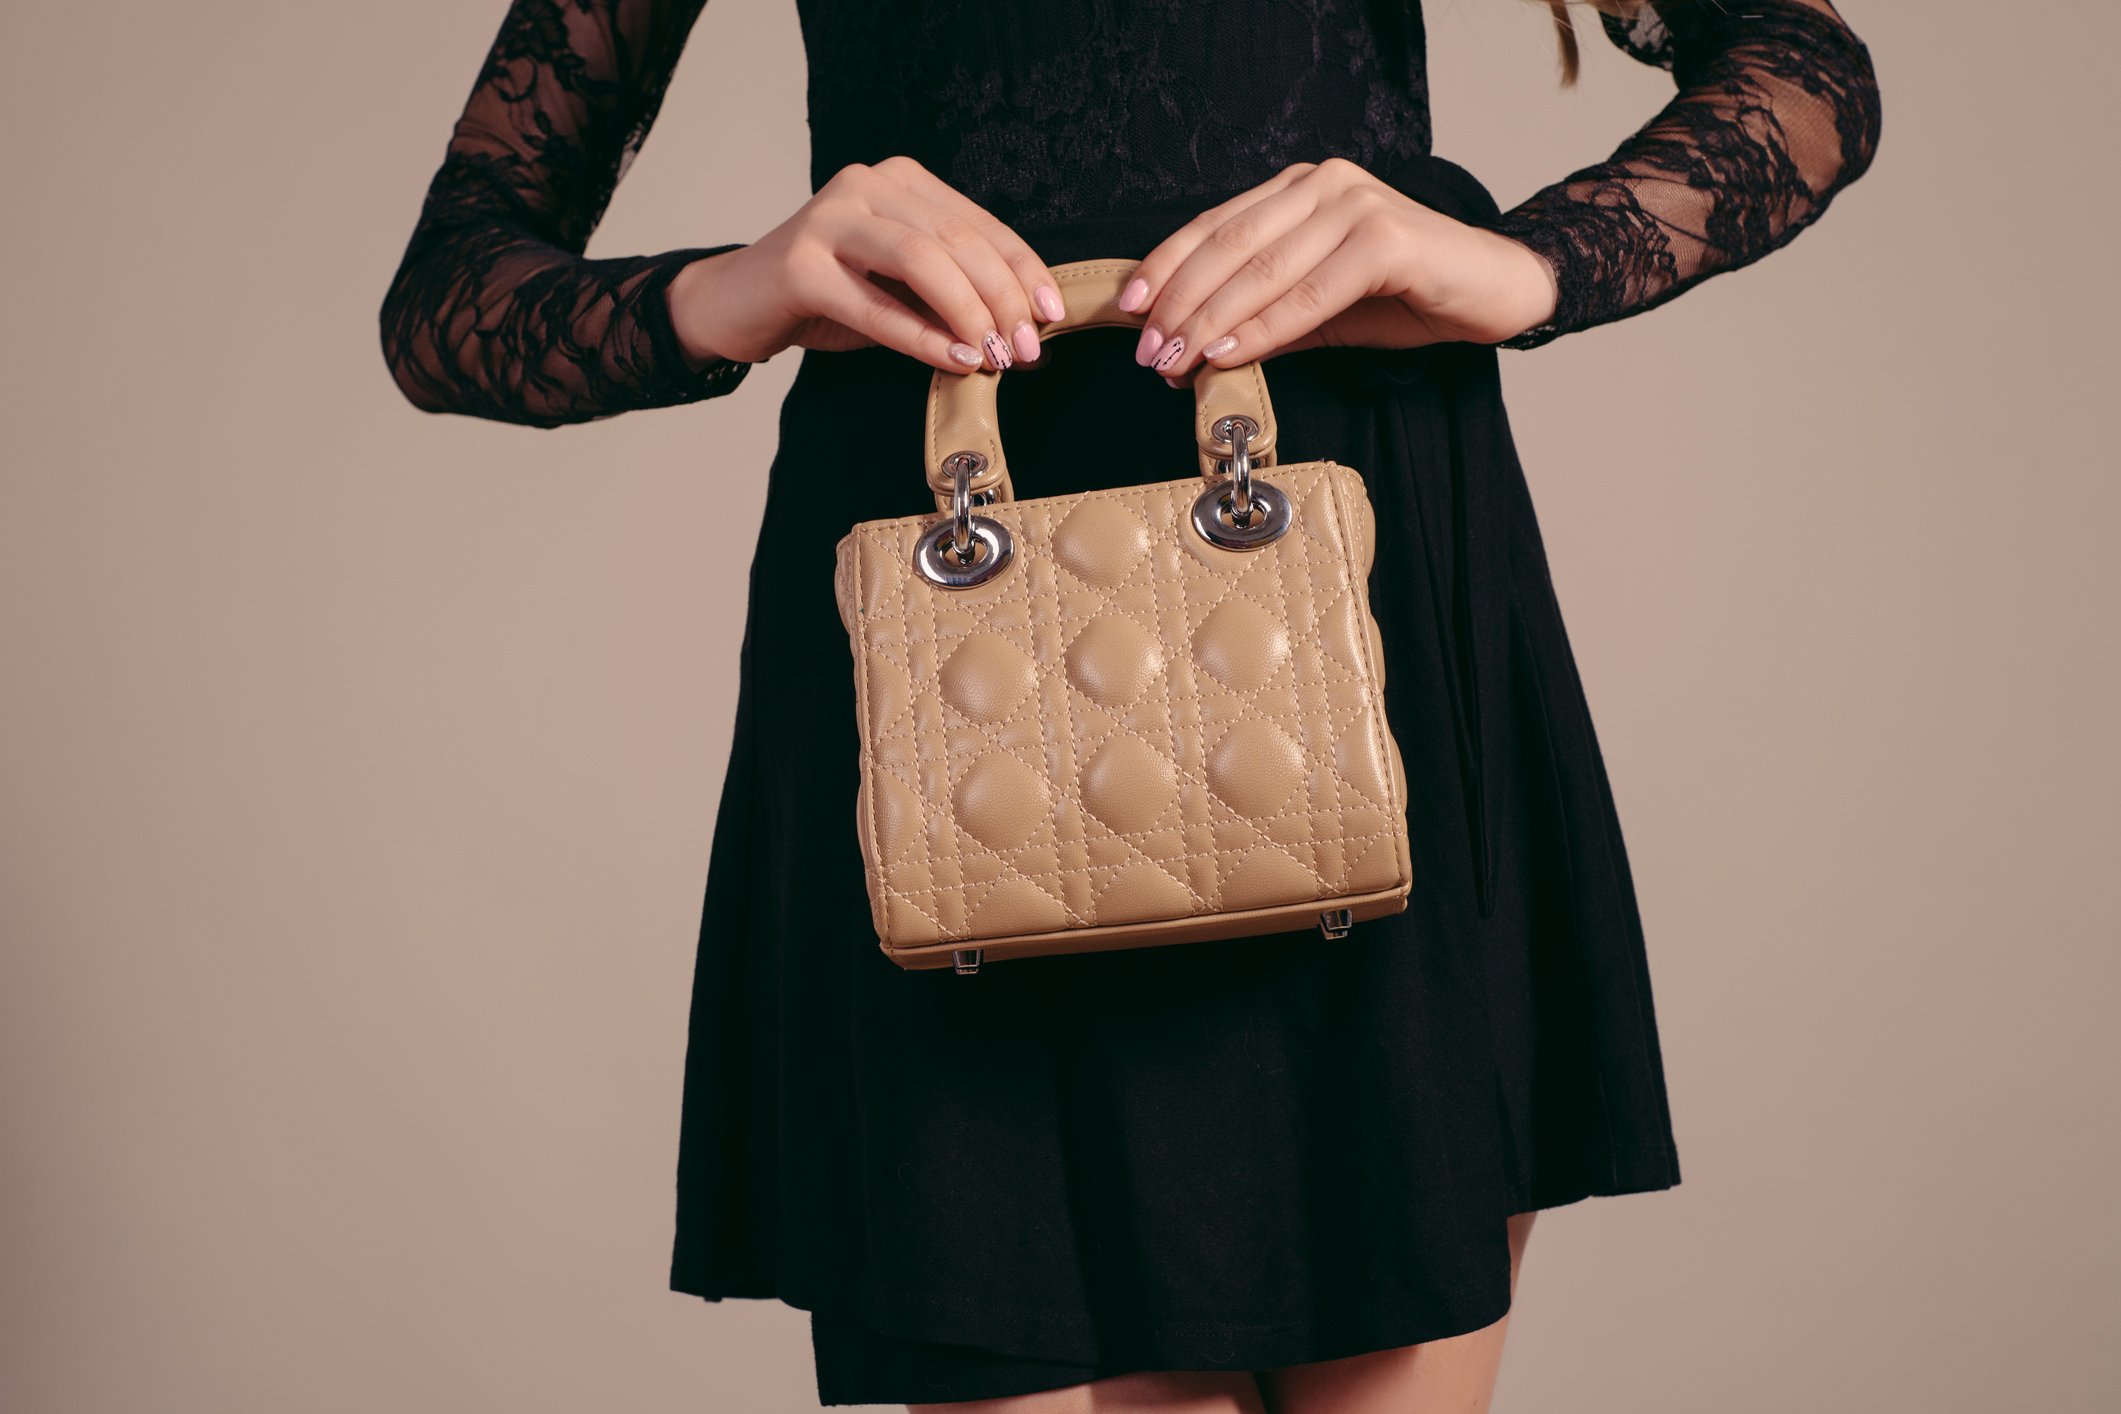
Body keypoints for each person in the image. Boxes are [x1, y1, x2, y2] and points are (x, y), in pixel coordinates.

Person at [378, 2, 1881, 1409]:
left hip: (1342, 581)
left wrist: (1517, 268)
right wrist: (736, 291)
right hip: (952, 653)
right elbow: (447, 295)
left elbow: (1802, 67)